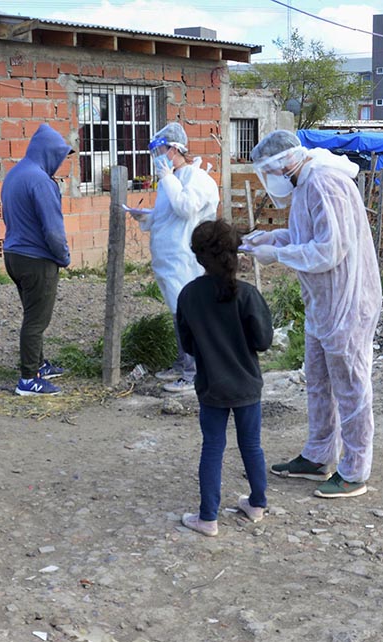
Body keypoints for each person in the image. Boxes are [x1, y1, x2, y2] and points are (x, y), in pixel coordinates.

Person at [244, 130, 382, 498]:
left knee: (350, 385)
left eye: (268, 171)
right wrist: (272, 238)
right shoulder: (306, 183)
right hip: (323, 301)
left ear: (285, 163)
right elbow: (306, 234)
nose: (269, 179)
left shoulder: (325, 183)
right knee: (319, 381)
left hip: (347, 301)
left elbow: (329, 249)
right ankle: (318, 455)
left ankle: (355, 470)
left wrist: (278, 254)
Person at [175, 220, 273, 536]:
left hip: (211, 386)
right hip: (247, 385)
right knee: (252, 445)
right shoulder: (248, 295)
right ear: (235, 253)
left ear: (198, 257)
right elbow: (263, 341)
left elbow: (187, 345)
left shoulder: (189, 295)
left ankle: (208, 518)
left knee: (213, 447)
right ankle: (257, 504)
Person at [130, 122, 220, 394]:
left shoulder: (196, 178)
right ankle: (183, 364)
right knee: (177, 313)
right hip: (168, 258)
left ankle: (194, 373)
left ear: (175, 149)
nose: (158, 156)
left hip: (185, 258)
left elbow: (185, 208)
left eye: (161, 150)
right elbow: (166, 214)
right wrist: (144, 217)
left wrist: (168, 178)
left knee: (189, 314)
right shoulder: (170, 178)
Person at [1, 122, 73, 396]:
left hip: (13, 255)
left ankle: (39, 365)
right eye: (59, 156)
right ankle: (28, 379)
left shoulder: (15, 174)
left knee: (32, 313)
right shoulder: (41, 181)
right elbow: (53, 230)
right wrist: (63, 257)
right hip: (36, 260)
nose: (60, 162)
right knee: (36, 321)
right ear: (48, 152)